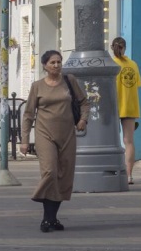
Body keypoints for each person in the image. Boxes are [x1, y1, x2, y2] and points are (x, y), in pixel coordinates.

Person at [19, 50, 89, 232]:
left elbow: (84, 103)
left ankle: (51, 219)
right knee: (50, 172)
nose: (56, 65)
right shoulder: (37, 86)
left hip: (67, 136)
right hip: (45, 135)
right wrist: (24, 140)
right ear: (44, 65)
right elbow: (28, 115)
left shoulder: (70, 81)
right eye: (52, 62)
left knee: (63, 177)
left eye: (59, 62)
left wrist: (83, 119)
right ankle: (39, 199)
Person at [111, 37, 141, 185]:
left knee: (111, 141)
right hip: (130, 105)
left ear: (112, 48)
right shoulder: (133, 65)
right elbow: (137, 85)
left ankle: (113, 171)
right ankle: (129, 175)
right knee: (129, 141)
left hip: (113, 107)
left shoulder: (110, 64)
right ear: (125, 47)